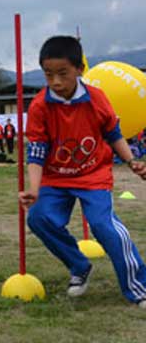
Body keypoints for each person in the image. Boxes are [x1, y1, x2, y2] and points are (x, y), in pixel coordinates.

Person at [20, 36, 146, 305]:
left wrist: (131, 161)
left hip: (92, 175)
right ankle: (79, 266)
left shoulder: (97, 99)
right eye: (48, 74)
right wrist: (33, 189)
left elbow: (113, 133)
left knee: (104, 227)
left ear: (79, 69)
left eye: (62, 74)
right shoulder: (41, 106)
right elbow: (37, 151)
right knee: (38, 218)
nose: (55, 81)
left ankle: (139, 287)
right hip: (55, 177)